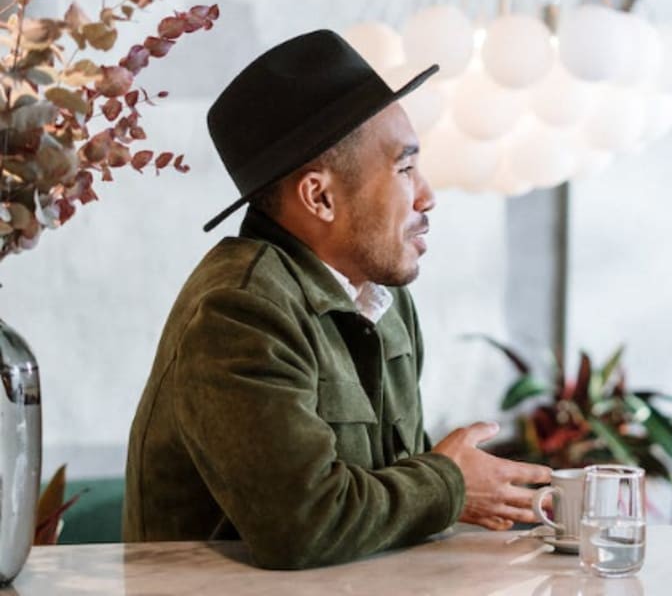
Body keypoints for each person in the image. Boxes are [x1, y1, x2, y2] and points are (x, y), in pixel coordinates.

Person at [123, 30, 551, 569]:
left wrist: (461, 492)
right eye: (404, 168)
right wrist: (449, 484)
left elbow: (392, 493)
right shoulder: (239, 311)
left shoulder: (384, 300)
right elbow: (302, 525)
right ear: (319, 197)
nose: (427, 195)